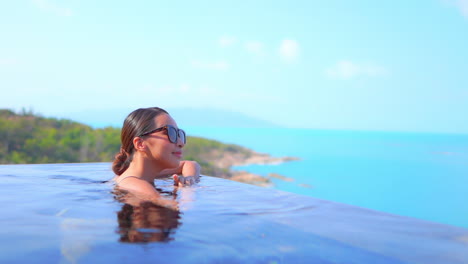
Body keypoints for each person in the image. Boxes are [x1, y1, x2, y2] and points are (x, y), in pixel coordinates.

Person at [112, 107, 200, 209]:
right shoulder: (136, 185)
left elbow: (190, 164)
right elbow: (184, 208)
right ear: (140, 144)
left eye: (179, 134)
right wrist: (187, 192)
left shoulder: (143, 173)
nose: (181, 143)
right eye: (170, 133)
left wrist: (188, 179)